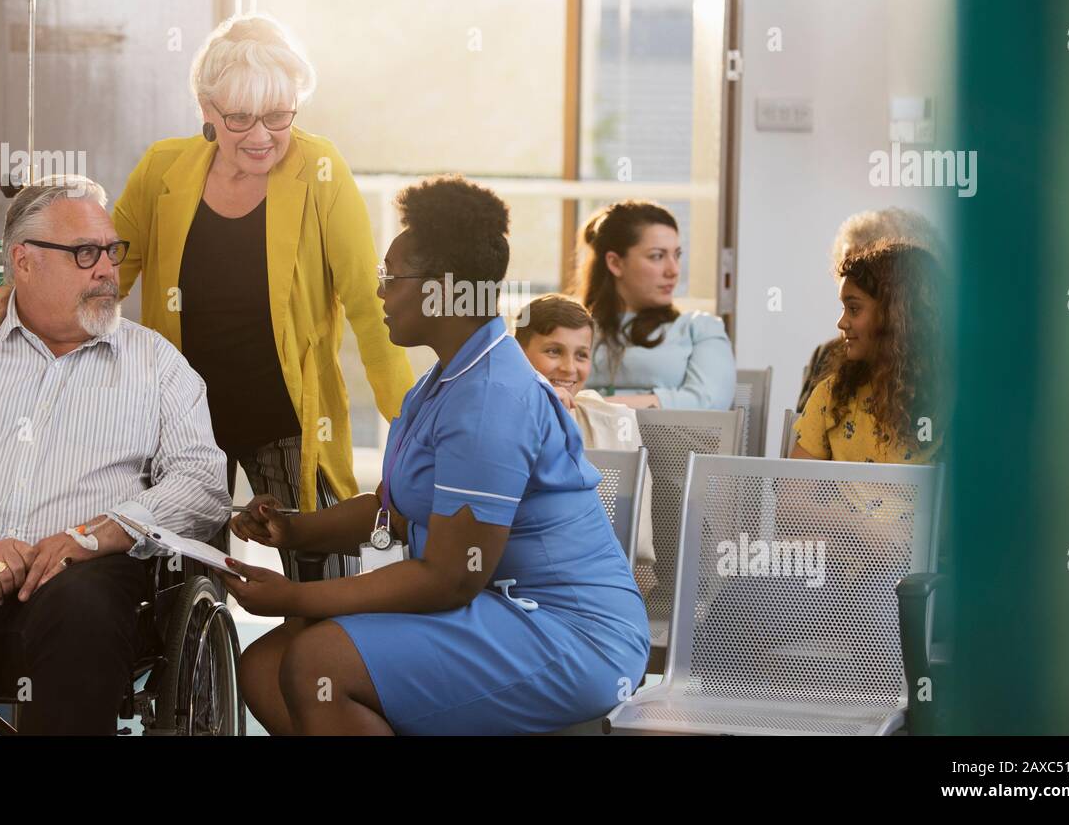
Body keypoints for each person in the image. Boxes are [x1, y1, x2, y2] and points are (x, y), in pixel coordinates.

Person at [0, 14, 413, 580]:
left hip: (287, 415)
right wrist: (12, 296)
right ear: (207, 112)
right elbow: (97, 270)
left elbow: (368, 306)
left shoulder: (321, 171)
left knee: (323, 583)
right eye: (240, 118)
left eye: (278, 115)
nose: (262, 136)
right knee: (184, 583)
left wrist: (413, 432)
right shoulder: (165, 168)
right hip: (181, 418)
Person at [222, 176, 650, 735]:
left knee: (317, 661)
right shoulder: (444, 380)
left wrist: (294, 595)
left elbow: (450, 578)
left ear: (440, 290)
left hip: (568, 631)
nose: (379, 292)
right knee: (265, 665)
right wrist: (294, 531)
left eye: (390, 277)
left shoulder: (492, 399)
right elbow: (391, 507)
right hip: (495, 611)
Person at [0, 177, 231, 734]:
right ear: (22, 263)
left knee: (82, 602)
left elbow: (202, 481)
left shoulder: (156, 364)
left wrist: (99, 534)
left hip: (87, 591)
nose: (108, 269)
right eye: (85, 253)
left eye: (111, 251)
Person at [514, 293, 656, 581]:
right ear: (518, 354)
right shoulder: (495, 416)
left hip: (597, 583)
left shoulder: (612, 423)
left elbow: (637, 555)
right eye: (553, 351)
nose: (569, 368)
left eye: (581, 355)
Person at [790, 240, 947, 463]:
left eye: (853, 309)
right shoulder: (831, 394)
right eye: (843, 308)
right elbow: (793, 490)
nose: (841, 322)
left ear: (893, 316)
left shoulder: (950, 402)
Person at [574, 201, 736, 410]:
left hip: (673, 444)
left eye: (676, 255)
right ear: (615, 263)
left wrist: (589, 406)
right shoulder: (573, 331)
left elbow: (708, 404)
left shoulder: (699, 329)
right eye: (657, 256)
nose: (673, 270)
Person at [797, 206, 946, 411]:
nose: (849, 274)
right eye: (846, 263)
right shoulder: (825, 358)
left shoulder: (937, 377)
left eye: (866, 267)